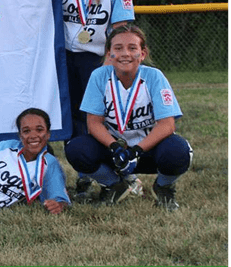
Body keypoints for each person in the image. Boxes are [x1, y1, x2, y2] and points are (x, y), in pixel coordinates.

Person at [41, 0, 135, 199]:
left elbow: (121, 26)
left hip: (98, 58)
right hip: (64, 58)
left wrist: (110, 61)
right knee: (71, 118)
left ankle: (122, 171)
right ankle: (85, 176)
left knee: (100, 117)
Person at [63, 25, 192, 211]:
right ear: (109, 54)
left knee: (179, 151)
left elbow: (167, 125)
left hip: (148, 149)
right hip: (115, 151)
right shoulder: (99, 76)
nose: (125, 53)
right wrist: (115, 147)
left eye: (132, 48)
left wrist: (137, 151)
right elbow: (93, 123)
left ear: (142, 53)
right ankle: (114, 185)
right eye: (118, 48)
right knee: (76, 149)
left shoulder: (154, 76)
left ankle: (163, 187)